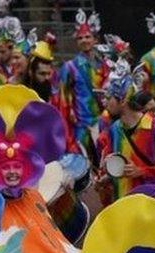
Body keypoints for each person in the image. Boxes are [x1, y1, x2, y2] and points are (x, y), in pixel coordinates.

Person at [96, 91, 155, 205]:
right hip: (123, 203)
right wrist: (106, 177)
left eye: (109, 97)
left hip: (152, 204)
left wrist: (141, 171)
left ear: (123, 100)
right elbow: (116, 165)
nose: (104, 102)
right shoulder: (114, 129)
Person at [58, 9, 109, 157]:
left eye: (88, 36)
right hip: (81, 124)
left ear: (95, 39)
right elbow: (63, 100)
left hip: (104, 121)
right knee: (85, 160)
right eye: (80, 38)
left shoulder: (105, 65)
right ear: (76, 42)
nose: (84, 40)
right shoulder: (70, 67)